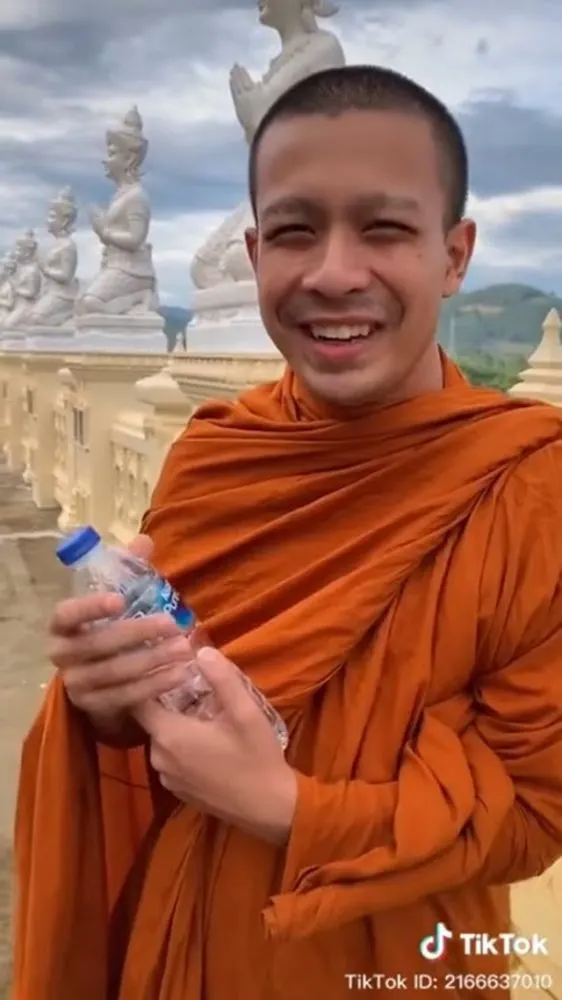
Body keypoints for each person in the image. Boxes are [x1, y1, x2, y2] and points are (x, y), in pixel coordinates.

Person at [13, 65, 562, 1000]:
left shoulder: (527, 484)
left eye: (385, 229)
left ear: (455, 254)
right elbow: (174, 700)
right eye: (297, 231)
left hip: (403, 964)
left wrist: (289, 809)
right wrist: (107, 697)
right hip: (182, 946)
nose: (334, 274)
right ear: (256, 250)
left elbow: (534, 812)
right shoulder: (216, 455)